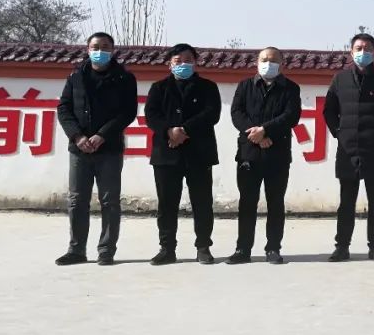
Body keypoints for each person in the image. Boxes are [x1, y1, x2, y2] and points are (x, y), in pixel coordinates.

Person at [55, 32, 138, 266]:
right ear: (87, 49)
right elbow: (64, 108)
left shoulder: (124, 78)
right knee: (77, 200)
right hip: (79, 149)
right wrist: (77, 136)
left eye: (105, 46)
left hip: (109, 148)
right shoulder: (76, 76)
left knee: (109, 201)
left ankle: (106, 250)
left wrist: (102, 135)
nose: (100, 51)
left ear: (112, 50)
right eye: (95, 47)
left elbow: (127, 112)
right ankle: (76, 250)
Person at [323, 32, 374, 262]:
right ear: (351, 52)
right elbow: (329, 110)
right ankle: (342, 246)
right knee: (346, 201)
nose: (362, 52)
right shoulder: (340, 79)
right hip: (347, 150)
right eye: (358, 48)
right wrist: (339, 132)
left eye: (367, 48)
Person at [144, 43, 222, 265]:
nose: (183, 65)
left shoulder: (208, 87)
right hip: (166, 154)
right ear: (170, 64)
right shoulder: (158, 88)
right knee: (167, 204)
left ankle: (203, 247)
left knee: (202, 203)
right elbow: (151, 115)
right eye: (178, 61)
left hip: (199, 153)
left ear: (195, 63)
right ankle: (167, 248)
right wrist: (169, 131)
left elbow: (212, 114)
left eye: (188, 60)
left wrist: (184, 130)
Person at [227, 47, 301, 265]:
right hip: (249, 154)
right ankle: (243, 249)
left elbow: (291, 116)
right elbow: (236, 114)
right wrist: (256, 135)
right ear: (257, 62)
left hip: (277, 155)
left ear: (282, 64)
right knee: (247, 203)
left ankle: (273, 248)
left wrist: (266, 131)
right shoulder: (245, 86)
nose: (268, 63)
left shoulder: (291, 88)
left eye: (273, 60)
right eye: (264, 59)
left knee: (275, 203)